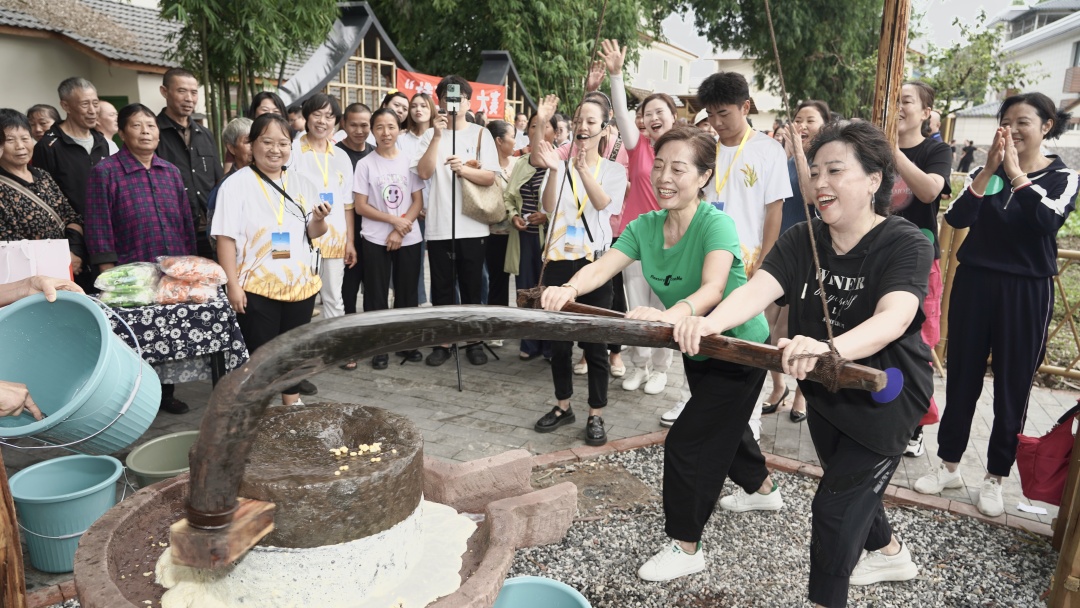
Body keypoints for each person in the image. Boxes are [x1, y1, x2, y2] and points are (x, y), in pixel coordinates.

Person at [676, 121, 933, 606]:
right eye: (814, 172)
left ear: (874, 180)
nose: (819, 183)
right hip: (824, 391)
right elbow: (756, 291)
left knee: (835, 509)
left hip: (885, 394)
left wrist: (829, 349)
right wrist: (710, 322)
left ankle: (824, 598)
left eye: (835, 170)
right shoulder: (802, 238)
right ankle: (891, 552)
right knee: (850, 481)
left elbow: (895, 317)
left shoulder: (906, 242)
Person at [539, 127, 775, 582]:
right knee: (726, 426)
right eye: (660, 166)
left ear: (704, 176)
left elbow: (712, 288)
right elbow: (602, 267)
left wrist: (673, 315)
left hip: (740, 346)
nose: (665, 177)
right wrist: (566, 287)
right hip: (694, 345)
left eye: (679, 169)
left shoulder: (716, 224)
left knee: (690, 441)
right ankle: (763, 488)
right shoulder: (645, 226)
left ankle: (687, 547)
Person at [916, 93, 1079, 517]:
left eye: (1023, 121)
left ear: (1046, 126)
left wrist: (1015, 174)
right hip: (975, 283)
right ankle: (949, 463)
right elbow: (956, 218)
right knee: (962, 379)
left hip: (1026, 291)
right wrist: (990, 169)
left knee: (1013, 386)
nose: (1013, 129)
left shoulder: (1064, 177)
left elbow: (1046, 222)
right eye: (1007, 121)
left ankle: (995, 476)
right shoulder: (984, 173)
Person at [86, 103, 198, 416]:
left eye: (151, 125)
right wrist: (109, 275)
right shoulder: (105, 172)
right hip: (129, 271)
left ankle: (165, 394)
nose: (146, 131)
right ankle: (134, 401)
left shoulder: (170, 172)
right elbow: (97, 224)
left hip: (169, 270)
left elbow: (186, 221)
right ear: (122, 133)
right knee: (135, 339)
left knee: (167, 334)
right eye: (137, 125)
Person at [212, 113, 331, 406]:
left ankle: (292, 400)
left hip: (300, 283)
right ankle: (257, 406)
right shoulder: (235, 185)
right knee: (261, 352)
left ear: (291, 146)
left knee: (293, 349)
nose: (275, 149)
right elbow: (225, 239)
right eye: (267, 142)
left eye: (283, 143)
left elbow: (314, 232)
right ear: (252, 144)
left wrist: (319, 219)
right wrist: (233, 286)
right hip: (256, 285)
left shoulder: (303, 183)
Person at [698, 71, 792, 436]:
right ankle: (708, 407)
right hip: (710, 258)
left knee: (750, 340)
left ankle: (749, 419)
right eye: (711, 115)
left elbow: (775, 212)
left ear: (745, 106)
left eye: (724, 113)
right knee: (708, 337)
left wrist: (765, 266)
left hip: (752, 261)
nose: (717, 123)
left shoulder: (767, 150)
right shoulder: (705, 150)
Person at [530, 94, 627, 447]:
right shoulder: (561, 163)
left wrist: (584, 170)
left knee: (595, 344)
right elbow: (547, 204)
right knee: (558, 344)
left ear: (605, 128)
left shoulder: (615, 171)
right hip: (558, 262)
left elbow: (604, 205)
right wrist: (560, 167)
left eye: (591, 121)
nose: (584, 127)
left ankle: (596, 413)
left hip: (594, 266)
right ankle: (562, 405)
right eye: (579, 121)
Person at [596, 39, 677, 399]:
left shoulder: (686, 150)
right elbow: (621, 113)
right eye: (648, 113)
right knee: (634, 303)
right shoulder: (638, 145)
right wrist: (616, 75)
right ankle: (638, 364)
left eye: (661, 111)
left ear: (673, 117)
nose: (654, 117)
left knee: (663, 307)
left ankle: (661, 369)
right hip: (636, 238)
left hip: (673, 239)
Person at [414, 75, 499, 367]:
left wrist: (462, 169)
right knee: (442, 287)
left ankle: (474, 339)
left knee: (473, 285)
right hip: (439, 224)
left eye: (458, 98)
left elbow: (490, 176)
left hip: (472, 223)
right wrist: (437, 136)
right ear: (439, 101)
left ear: (467, 101)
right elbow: (423, 173)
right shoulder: (429, 135)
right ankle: (444, 340)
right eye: (447, 98)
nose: (452, 103)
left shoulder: (480, 134)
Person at [889, 81, 954, 457]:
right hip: (877, 256)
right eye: (893, 101)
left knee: (918, 343)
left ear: (926, 112)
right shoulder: (873, 148)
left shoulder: (936, 149)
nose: (898, 107)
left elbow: (930, 190)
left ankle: (915, 424)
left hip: (918, 261)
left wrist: (893, 153)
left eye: (907, 102)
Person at [764, 99, 833, 423]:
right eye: (798, 119)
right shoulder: (785, 159)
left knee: (804, 328)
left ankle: (802, 396)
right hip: (782, 251)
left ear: (825, 127)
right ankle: (778, 387)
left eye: (810, 120)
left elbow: (810, 196)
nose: (802, 125)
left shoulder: (822, 164)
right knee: (768, 326)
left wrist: (801, 156)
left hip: (813, 255)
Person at [353, 108, 425, 369]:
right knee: (376, 294)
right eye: (380, 127)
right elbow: (360, 206)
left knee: (407, 293)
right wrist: (393, 221)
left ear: (399, 129)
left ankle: (407, 342)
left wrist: (400, 230)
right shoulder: (365, 164)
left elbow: (418, 201)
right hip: (374, 238)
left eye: (391, 126)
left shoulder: (410, 160)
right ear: (373, 130)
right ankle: (379, 346)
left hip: (409, 238)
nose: (386, 132)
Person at [289, 93, 355, 321]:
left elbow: (348, 204)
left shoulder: (342, 156)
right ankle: (305, 350)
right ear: (307, 117)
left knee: (334, 297)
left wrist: (350, 241)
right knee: (300, 295)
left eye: (329, 116)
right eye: (317, 114)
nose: (322, 121)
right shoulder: (293, 151)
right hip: (302, 236)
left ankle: (335, 350)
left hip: (335, 238)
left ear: (336, 121)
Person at [0, 111, 85, 274]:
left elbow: (71, 217)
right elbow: (8, 245)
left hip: (68, 268)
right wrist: (57, 259)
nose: (20, 146)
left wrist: (74, 252)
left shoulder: (43, 175)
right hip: (28, 276)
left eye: (25, 138)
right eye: (10, 140)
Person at [155, 68, 224, 261]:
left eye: (194, 93)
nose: (189, 98)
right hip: (172, 230)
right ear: (164, 92)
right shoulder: (153, 133)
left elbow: (218, 180)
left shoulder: (204, 134)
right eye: (181, 91)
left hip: (207, 228)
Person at [506, 104, 555, 361]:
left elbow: (566, 203)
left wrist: (546, 217)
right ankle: (529, 341)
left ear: (555, 134)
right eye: (533, 125)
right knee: (525, 289)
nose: (538, 130)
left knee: (548, 289)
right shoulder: (522, 162)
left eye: (544, 125)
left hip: (550, 238)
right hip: (524, 236)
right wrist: (513, 215)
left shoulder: (560, 163)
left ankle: (549, 345)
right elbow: (509, 198)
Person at [31, 78, 110, 217]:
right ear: (65, 106)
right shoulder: (48, 146)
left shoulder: (101, 141)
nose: (92, 110)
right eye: (85, 104)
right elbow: (43, 195)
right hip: (71, 231)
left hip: (103, 225)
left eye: (95, 103)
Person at [337, 102, 374, 350]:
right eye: (354, 125)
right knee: (346, 289)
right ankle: (348, 341)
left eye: (364, 125)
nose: (359, 130)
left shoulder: (375, 152)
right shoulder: (334, 154)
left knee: (373, 289)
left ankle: (370, 340)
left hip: (373, 233)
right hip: (344, 232)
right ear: (343, 124)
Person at [401, 93, 436, 306]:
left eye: (423, 105)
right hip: (412, 208)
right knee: (414, 261)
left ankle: (438, 304)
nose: (418, 110)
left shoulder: (439, 136)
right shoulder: (402, 139)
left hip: (438, 207)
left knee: (440, 263)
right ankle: (420, 303)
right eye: (413, 106)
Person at [483, 119, 518, 313]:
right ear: (498, 140)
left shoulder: (518, 164)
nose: (515, 142)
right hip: (495, 233)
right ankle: (497, 324)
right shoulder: (483, 166)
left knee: (523, 279)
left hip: (519, 231)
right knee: (497, 280)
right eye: (512, 137)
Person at [206, 117, 254, 245]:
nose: (254, 147)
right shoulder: (225, 186)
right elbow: (215, 239)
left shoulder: (273, 178)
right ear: (232, 148)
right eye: (248, 142)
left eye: (258, 140)